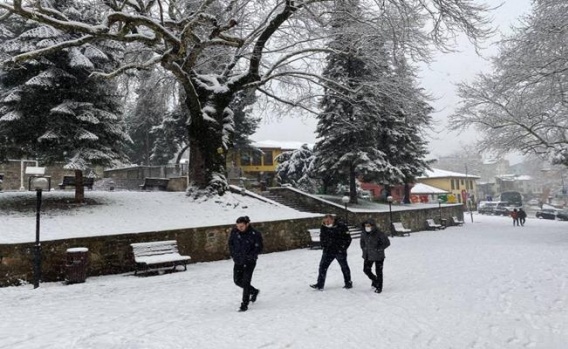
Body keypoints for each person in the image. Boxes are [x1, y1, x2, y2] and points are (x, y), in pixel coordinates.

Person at [228, 216, 263, 312]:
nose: (239, 228)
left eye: (242, 226)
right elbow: (231, 244)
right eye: (238, 226)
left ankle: (244, 304)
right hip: (238, 261)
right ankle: (254, 291)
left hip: (249, 262)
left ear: (247, 224)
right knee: (237, 281)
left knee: (246, 281)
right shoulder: (234, 232)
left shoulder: (255, 234)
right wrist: (234, 255)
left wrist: (250, 256)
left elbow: (259, 247)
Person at [310, 214, 353, 290]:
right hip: (328, 251)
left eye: (328, 221)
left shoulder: (341, 226)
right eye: (325, 221)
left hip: (339, 251)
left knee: (344, 267)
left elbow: (348, 239)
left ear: (333, 220)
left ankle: (348, 283)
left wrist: (343, 248)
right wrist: (323, 245)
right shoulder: (323, 227)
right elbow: (322, 237)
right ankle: (320, 284)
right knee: (322, 267)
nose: (327, 222)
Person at [360, 219, 390, 293]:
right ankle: (375, 280)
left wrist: (379, 249)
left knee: (379, 271)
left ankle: (379, 287)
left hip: (378, 256)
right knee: (366, 270)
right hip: (368, 255)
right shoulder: (363, 233)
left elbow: (387, 243)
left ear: (372, 226)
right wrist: (364, 248)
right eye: (365, 226)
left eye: (368, 226)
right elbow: (362, 242)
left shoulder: (379, 233)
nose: (367, 227)